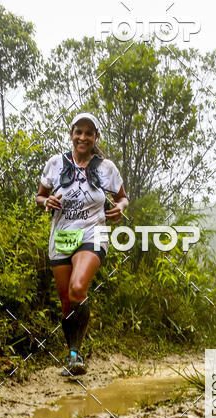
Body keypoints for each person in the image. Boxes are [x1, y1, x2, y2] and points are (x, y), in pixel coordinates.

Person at [36, 112, 128, 376]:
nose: (83, 137)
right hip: (62, 237)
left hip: (93, 234)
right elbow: (39, 196)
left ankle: (76, 355)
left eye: (89, 133)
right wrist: (47, 202)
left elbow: (123, 197)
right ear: (71, 134)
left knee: (78, 288)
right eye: (79, 132)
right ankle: (72, 355)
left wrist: (120, 208)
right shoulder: (55, 163)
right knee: (67, 304)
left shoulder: (106, 168)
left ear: (96, 137)